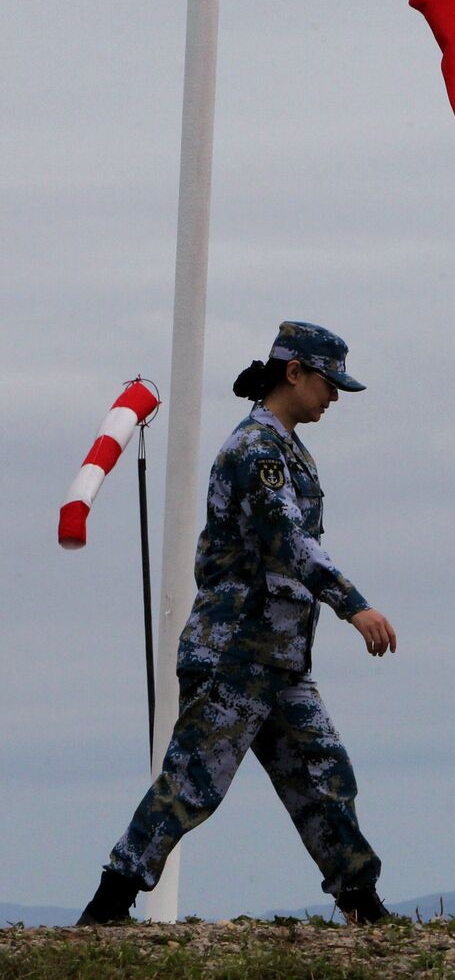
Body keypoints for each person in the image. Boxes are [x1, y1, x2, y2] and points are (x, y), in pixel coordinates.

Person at [78, 321, 399, 926]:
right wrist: (353, 604)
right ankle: (108, 905)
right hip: (234, 655)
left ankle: (363, 905)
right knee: (192, 784)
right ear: (294, 373)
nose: (333, 397)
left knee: (326, 777)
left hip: (279, 659)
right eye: (328, 383)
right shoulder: (256, 451)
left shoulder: (288, 449)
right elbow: (288, 542)